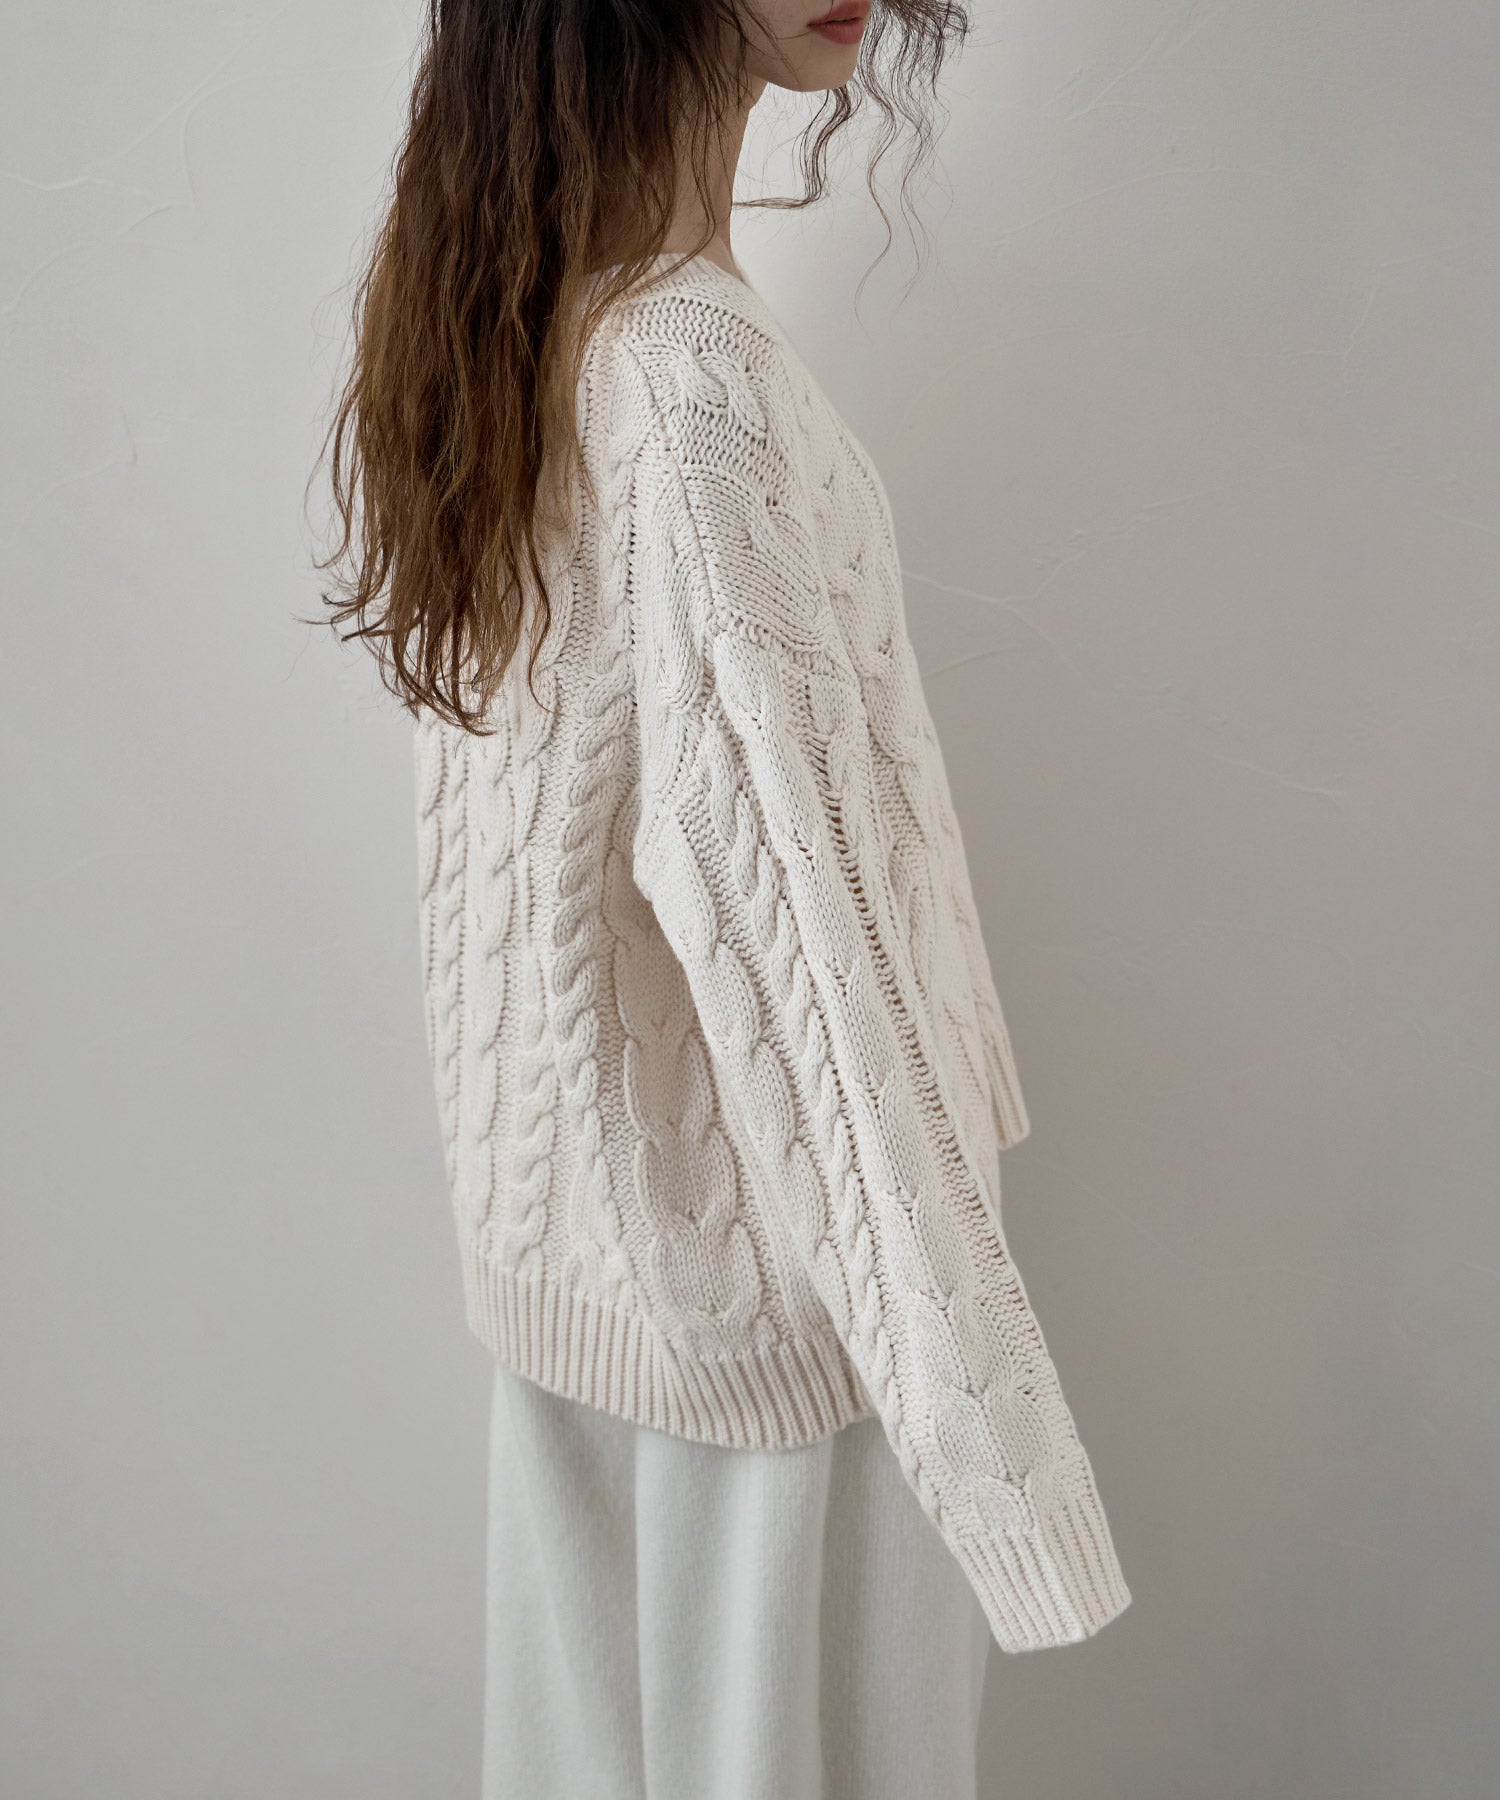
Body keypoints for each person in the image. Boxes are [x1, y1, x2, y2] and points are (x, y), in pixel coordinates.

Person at [315, 2, 1132, 1794]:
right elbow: (813, 962)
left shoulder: (521, 317)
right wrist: (1011, 1479)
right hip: (795, 1326)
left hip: (597, 1298)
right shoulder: (690, 378)